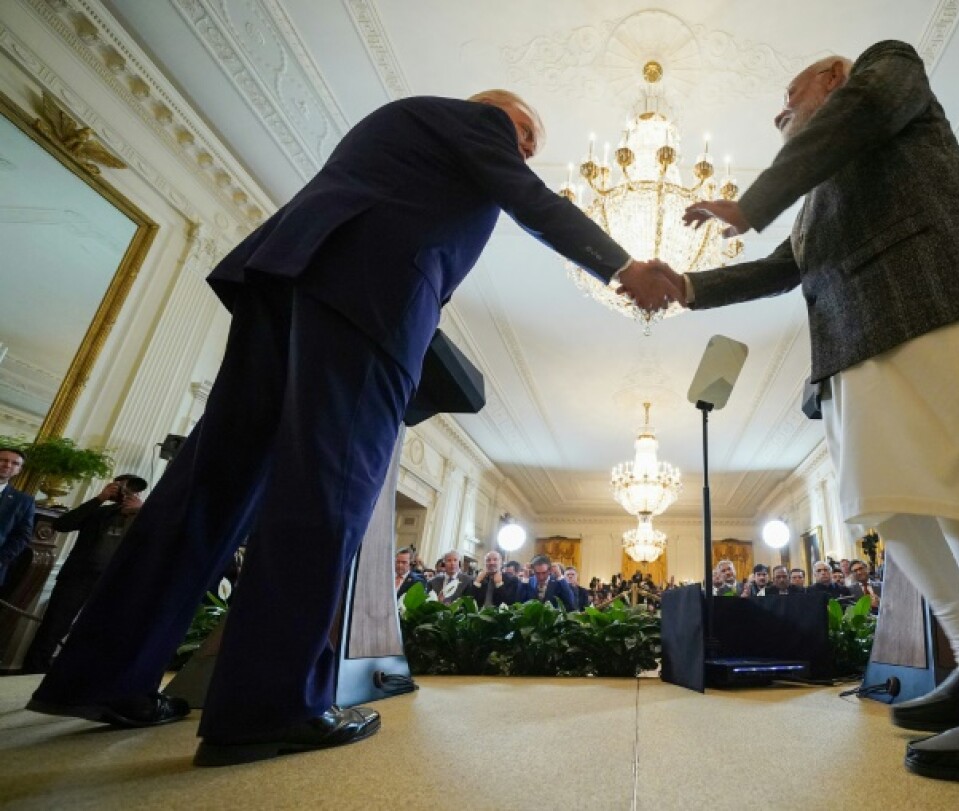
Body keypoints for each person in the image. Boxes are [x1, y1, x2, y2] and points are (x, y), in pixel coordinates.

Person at [28, 89, 676, 768]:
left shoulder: (403, 129)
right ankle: (268, 708)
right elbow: (530, 198)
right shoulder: (476, 120)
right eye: (527, 135)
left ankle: (101, 678)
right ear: (499, 114)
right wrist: (624, 265)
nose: (525, 151)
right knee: (328, 488)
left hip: (286, 277)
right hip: (369, 293)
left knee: (209, 482)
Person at [633, 42, 959, 786]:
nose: (780, 113)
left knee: (956, 482)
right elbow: (788, 267)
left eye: (790, 96)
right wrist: (685, 284)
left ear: (832, 79)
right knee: (899, 511)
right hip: (854, 342)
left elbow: (863, 112)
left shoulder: (885, 72)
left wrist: (748, 203)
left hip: (921, 298)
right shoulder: (819, 193)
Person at [23, 475, 148, 673]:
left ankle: (77, 673)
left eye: (135, 489)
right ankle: (33, 670)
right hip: (79, 577)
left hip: (115, 583)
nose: (129, 492)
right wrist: (99, 498)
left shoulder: (148, 517)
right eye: (124, 487)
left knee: (98, 631)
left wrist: (142, 513)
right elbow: (62, 524)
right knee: (54, 626)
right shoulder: (99, 512)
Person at [0, 447, 35, 590]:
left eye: (15, 463)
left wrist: (1, 560)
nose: (8, 465)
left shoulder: (23, 501)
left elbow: (22, 536)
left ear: (19, 470)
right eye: (3, 460)